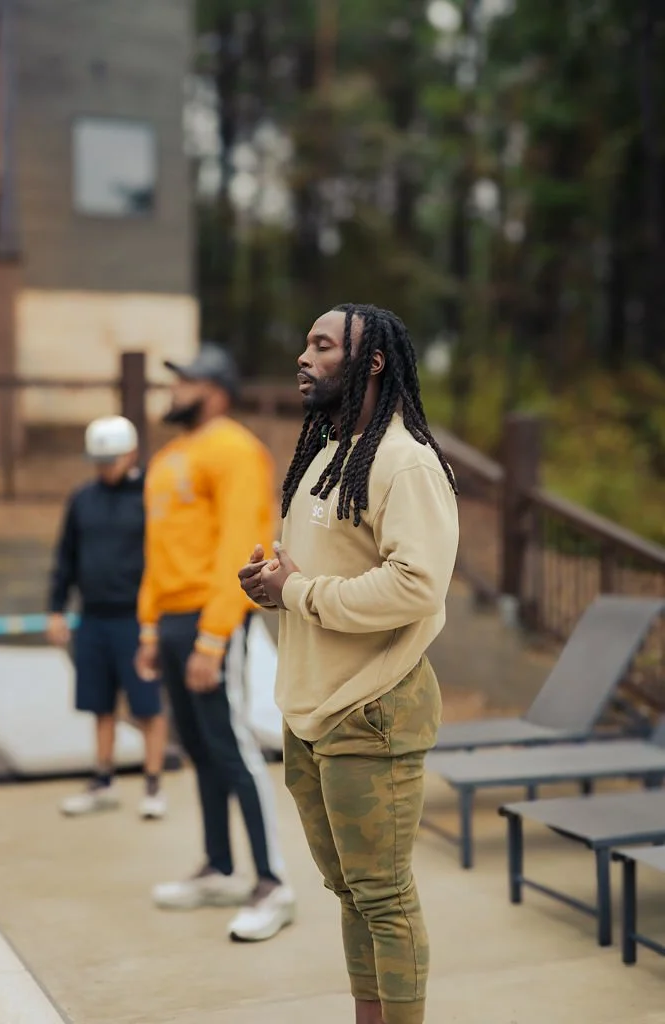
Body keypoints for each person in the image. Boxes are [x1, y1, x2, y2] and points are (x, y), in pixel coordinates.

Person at [239, 305, 459, 1024]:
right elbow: (318, 577)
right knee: (350, 892)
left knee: (384, 896)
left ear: (371, 363)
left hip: (372, 708)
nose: (302, 356)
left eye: (322, 345)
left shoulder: (406, 463)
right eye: (304, 342)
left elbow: (414, 586)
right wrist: (273, 587)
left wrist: (297, 589)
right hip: (309, 709)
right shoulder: (326, 456)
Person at [135, 343, 294, 943]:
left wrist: (212, 635)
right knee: (199, 747)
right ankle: (219, 866)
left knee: (231, 747)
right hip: (171, 620)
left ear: (217, 392)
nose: (174, 390)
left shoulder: (235, 450)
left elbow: (243, 542)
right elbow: (157, 550)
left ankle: (272, 881)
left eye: (186, 381)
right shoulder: (169, 457)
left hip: (210, 618)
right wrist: (149, 628)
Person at [47, 416, 167, 820]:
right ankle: (103, 781)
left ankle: (153, 785)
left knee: (147, 704)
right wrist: (56, 608)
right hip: (93, 618)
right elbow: (65, 558)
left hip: (137, 617)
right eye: (97, 460)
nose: (103, 467)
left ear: (131, 453)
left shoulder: (152, 495)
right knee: (100, 704)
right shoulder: (82, 499)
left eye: (110, 459)